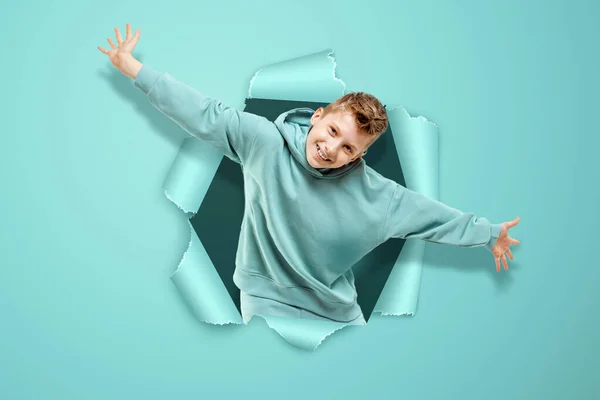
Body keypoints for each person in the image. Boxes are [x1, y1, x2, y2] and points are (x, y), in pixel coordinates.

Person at [98, 24, 521, 325]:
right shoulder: (263, 141)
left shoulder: (380, 196)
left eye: (349, 148)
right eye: (333, 131)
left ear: (360, 155)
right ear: (317, 117)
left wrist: (487, 234)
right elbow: (204, 113)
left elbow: (434, 217)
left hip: (338, 312)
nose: (332, 149)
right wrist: (136, 69)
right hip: (265, 304)